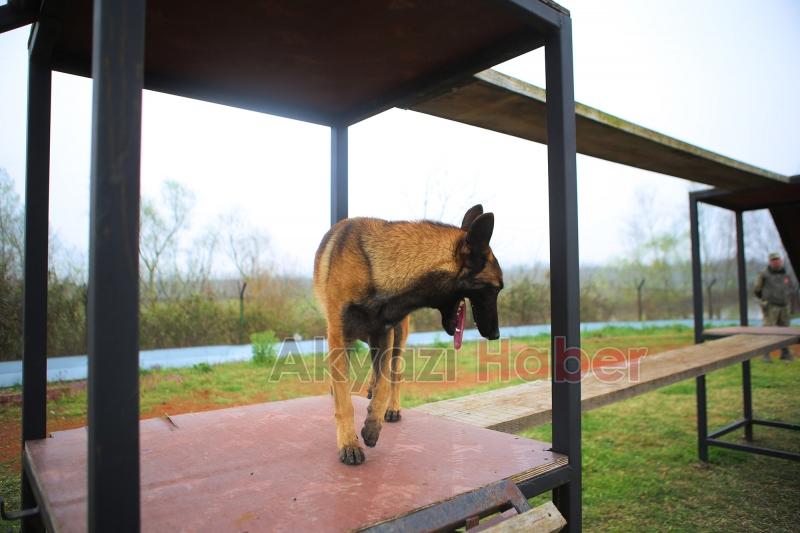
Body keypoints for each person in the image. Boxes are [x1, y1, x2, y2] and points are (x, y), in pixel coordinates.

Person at [754, 252, 796, 361]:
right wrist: (765, 299)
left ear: (780, 260)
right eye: (773, 260)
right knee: (768, 330)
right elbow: (757, 289)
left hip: (784, 305)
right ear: (770, 261)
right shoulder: (764, 274)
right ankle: (766, 354)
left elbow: (791, 287)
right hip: (771, 306)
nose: (776, 262)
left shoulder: (785, 272)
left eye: (777, 259)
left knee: (785, 330)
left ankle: (785, 353)